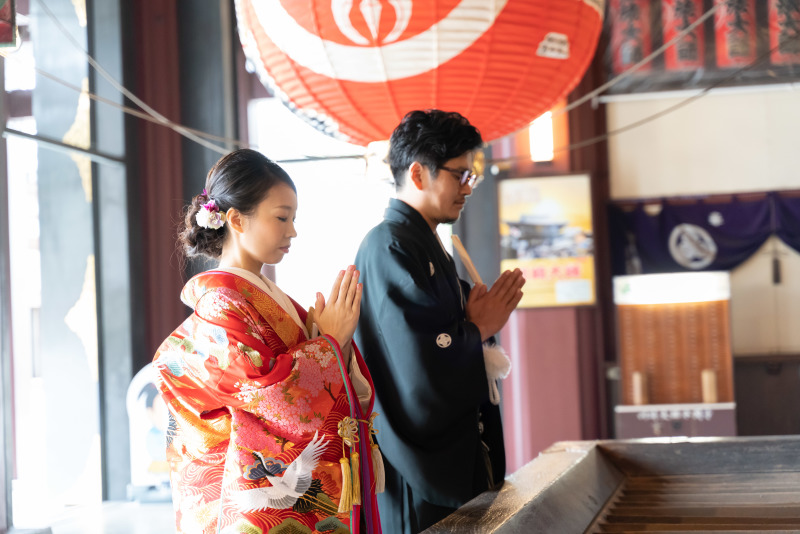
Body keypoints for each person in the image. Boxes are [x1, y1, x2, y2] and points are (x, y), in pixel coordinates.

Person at [153, 149, 383, 534]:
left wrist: (334, 346)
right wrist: (328, 342)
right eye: (281, 217)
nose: (292, 231)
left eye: (293, 219)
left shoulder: (265, 298)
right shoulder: (220, 305)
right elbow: (268, 397)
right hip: (245, 497)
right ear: (235, 219)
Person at [353, 110, 526, 533]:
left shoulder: (427, 245)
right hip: (418, 471)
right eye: (460, 175)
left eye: (472, 177)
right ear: (418, 173)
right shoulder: (389, 245)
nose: (468, 188)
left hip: (449, 457)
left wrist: (473, 321)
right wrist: (477, 329)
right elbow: (417, 359)